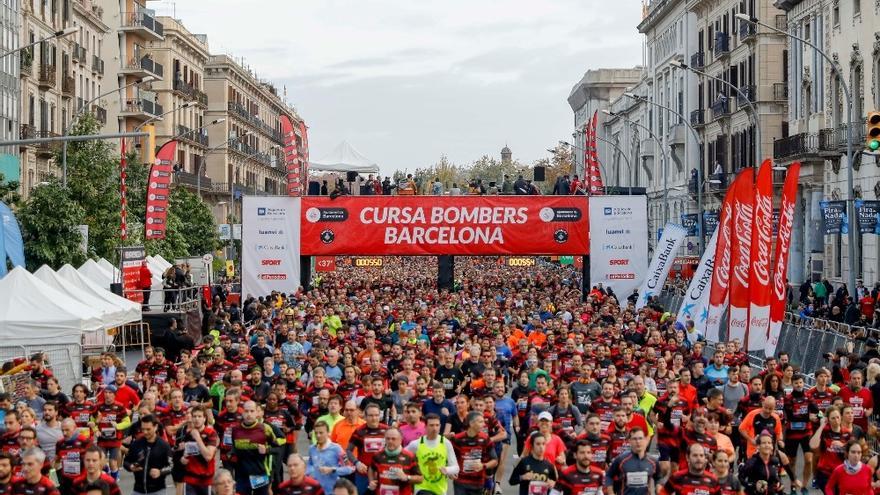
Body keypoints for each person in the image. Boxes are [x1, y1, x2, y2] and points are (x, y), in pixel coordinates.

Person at [230, 400, 281, 495]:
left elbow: (278, 449)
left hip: (260, 475)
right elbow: (234, 448)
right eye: (246, 411)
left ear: (257, 413)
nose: (249, 414)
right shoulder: (235, 430)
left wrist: (267, 450)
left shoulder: (265, 429)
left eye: (252, 411)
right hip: (242, 476)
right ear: (242, 412)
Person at [405, 413, 459, 495]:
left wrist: (447, 470)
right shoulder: (416, 444)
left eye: (437, 425)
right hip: (421, 487)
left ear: (440, 426)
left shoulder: (446, 443)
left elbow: (456, 468)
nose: (435, 428)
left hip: (440, 489)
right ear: (425, 427)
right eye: (431, 425)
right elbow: (401, 455)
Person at [451, 410, 498, 495]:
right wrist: (450, 472)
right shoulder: (457, 439)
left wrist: (483, 466)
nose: (484, 424)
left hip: (478, 482)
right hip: (460, 482)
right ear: (471, 424)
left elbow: (495, 460)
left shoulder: (485, 439)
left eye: (483, 421)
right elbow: (449, 458)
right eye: (480, 422)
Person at [123, 414, 172, 495]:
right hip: (138, 490)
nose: (145, 432)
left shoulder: (164, 446)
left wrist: (160, 472)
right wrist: (130, 467)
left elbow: (172, 466)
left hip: (158, 491)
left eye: (148, 429)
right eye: (143, 429)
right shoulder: (136, 444)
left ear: (155, 427)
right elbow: (126, 461)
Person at [178, 405, 219, 495]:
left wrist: (198, 438)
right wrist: (183, 458)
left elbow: (208, 456)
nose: (197, 419)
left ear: (204, 418)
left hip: (205, 480)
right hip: (190, 479)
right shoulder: (188, 434)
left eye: (199, 416)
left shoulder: (211, 433)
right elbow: (184, 458)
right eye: (194, 416)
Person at [367, 428, 422, 495]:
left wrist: (406, 477)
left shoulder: (409, 456)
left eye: (393, 439)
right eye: (388, 438)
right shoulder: (377, 455)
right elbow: (371, 468)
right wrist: (371, 481)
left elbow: (420, 479)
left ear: (400, 440)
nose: (390, 441)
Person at [604, 428, 659, 495]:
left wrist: (658, 489)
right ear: (629, 441)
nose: (638, 441)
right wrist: (611, 493)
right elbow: (609, 475)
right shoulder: (621, 459)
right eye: (634, 439)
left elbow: (659, 477)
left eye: (640, 438)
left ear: (645, 440)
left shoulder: (653, 461)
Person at [306, 420, 352, 494]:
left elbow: (349, 468)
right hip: (317, 491)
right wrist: (309, 473)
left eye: (321, 433)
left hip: (332, 490)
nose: (318, 435)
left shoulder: (337, 449)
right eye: (316, 433)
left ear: (328, 433)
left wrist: (333, 470)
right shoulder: (312, 449)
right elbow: (310, 464)